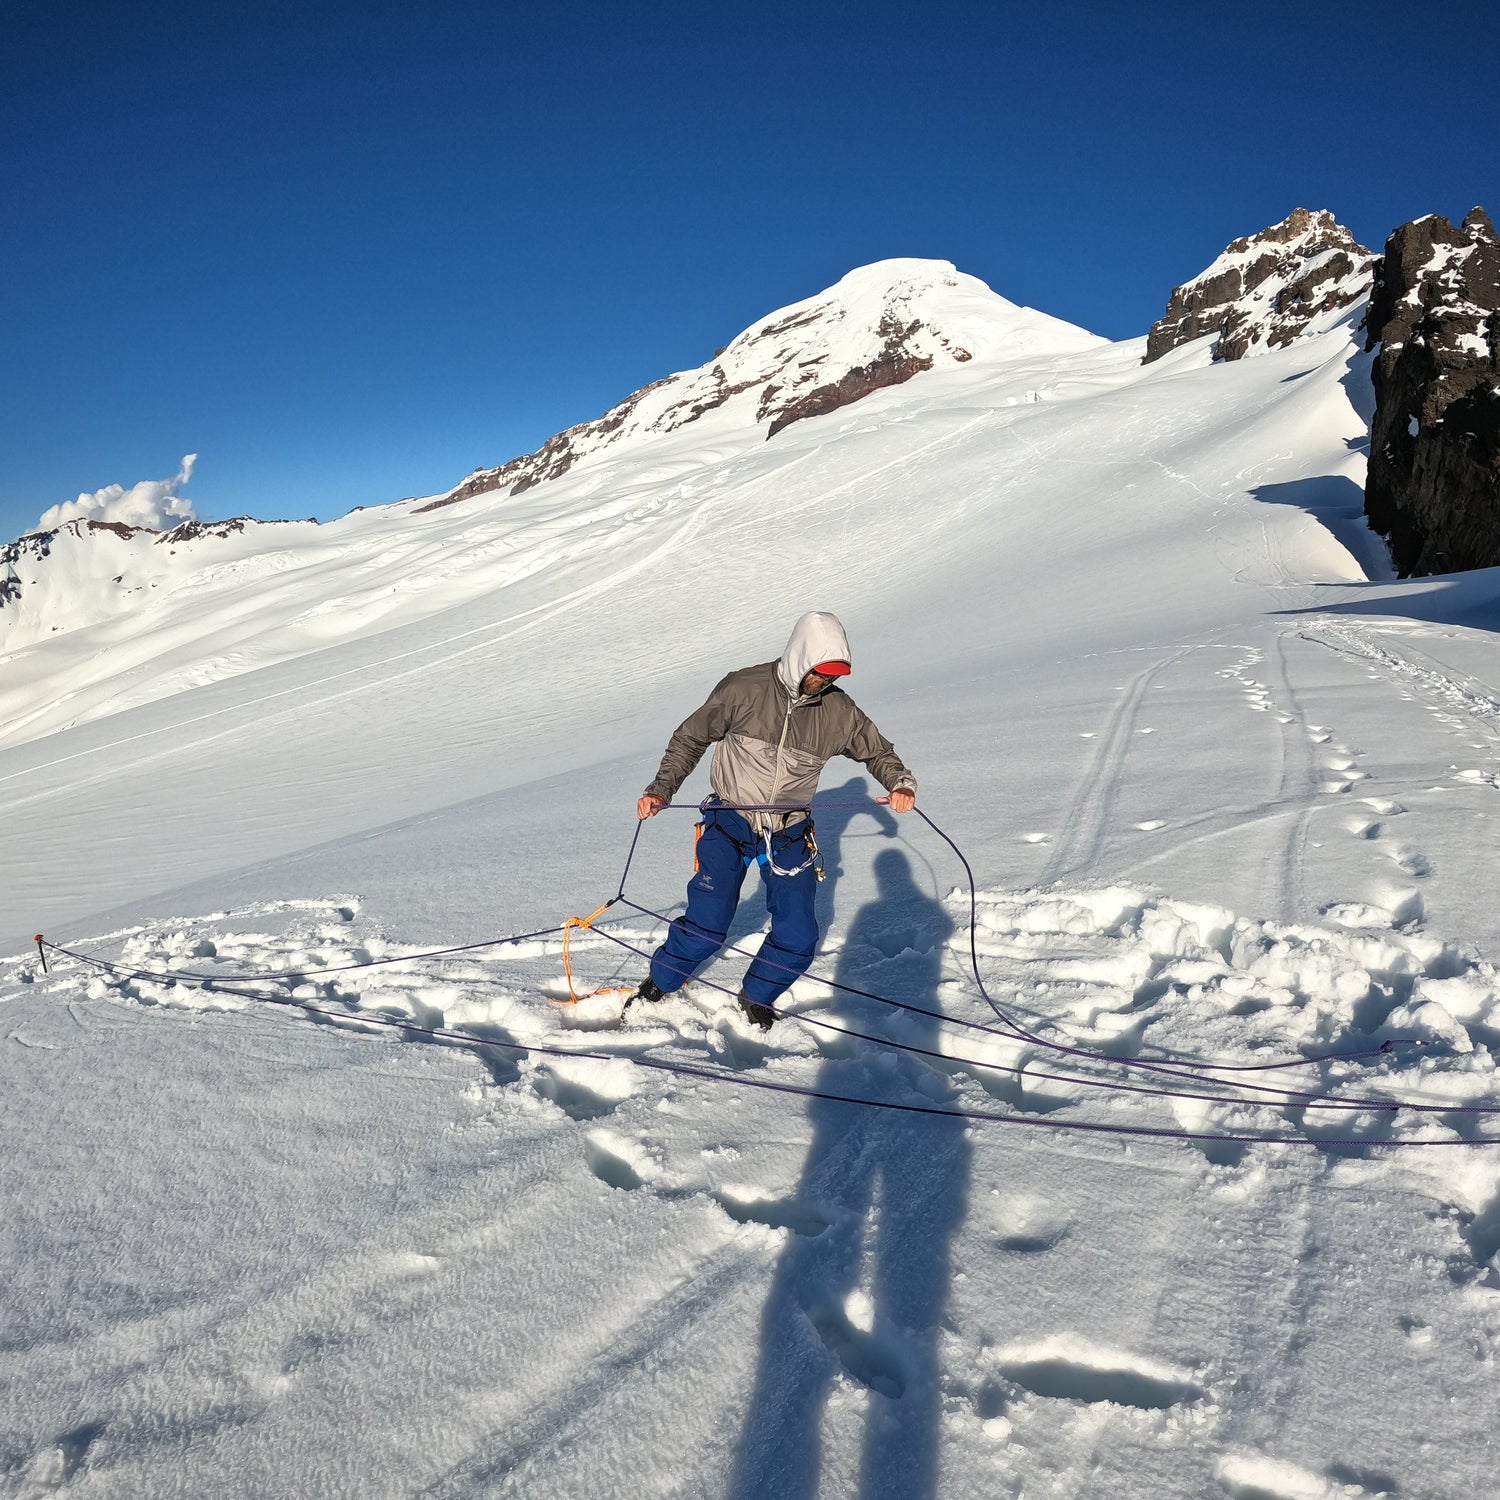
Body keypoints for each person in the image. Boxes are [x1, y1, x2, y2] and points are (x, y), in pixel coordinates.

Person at [631, 611, 917, 1029]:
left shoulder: (838, 712)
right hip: (728, 822)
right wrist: (661, 789)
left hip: (788, 831)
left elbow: (878, 752)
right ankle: (660, 982)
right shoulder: (743, 688)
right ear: (801, 658)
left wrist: (901, 784)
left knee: (799, 935)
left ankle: (758, 995)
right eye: (820, 672)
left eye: (835, 675)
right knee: (708, 924)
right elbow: (690, 737)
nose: (826, 682)